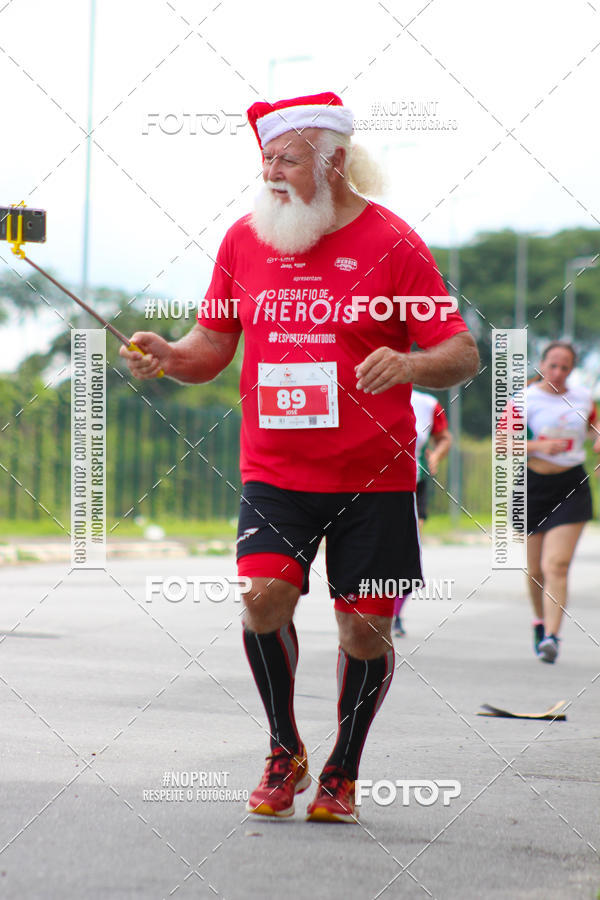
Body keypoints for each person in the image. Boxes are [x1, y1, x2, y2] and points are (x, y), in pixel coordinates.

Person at [120, 92, 479, 822]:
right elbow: (211, 346)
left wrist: (408, 367)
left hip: (374, 479)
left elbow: (461, 352)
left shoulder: (394, 243)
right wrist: (169, 355)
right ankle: (285, 749)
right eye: (265, 161)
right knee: (261, 599)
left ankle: (344, 767)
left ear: (335, 161)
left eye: (286, 158)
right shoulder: (245, 241)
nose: (271, 173)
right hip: (276, 471)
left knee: (364, 628)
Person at [525, 341, 600, 663]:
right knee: (535, 570)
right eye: (552, 365)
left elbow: (595, 429)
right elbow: (503, 443)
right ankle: (540, 623)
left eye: (564, 367)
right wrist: (537, 446)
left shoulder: (583, 398)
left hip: (571, 485)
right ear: (541, 364)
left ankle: (553, 638)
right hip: (532, 486)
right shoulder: (523, 398)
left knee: (556, 564)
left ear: (572, 369)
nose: (557, 373)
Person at [392, 390, 452, 636]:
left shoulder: (427, 404)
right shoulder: (361, 391)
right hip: (369, 486)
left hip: (414, 484)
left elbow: (444, 437)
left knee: (406, 550)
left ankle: (395, 614)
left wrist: (436, 455)